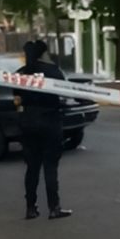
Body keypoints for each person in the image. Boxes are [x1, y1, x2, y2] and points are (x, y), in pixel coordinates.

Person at [14, 40, 73, 221]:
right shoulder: (52, 71)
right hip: (50, 121)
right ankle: (54, 207)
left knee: (32, 167)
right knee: (50, 166)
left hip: (29, 122)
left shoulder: (20, 73)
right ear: (43, 54)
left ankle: (30, 208)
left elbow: (16, 100)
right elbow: (65, 91)